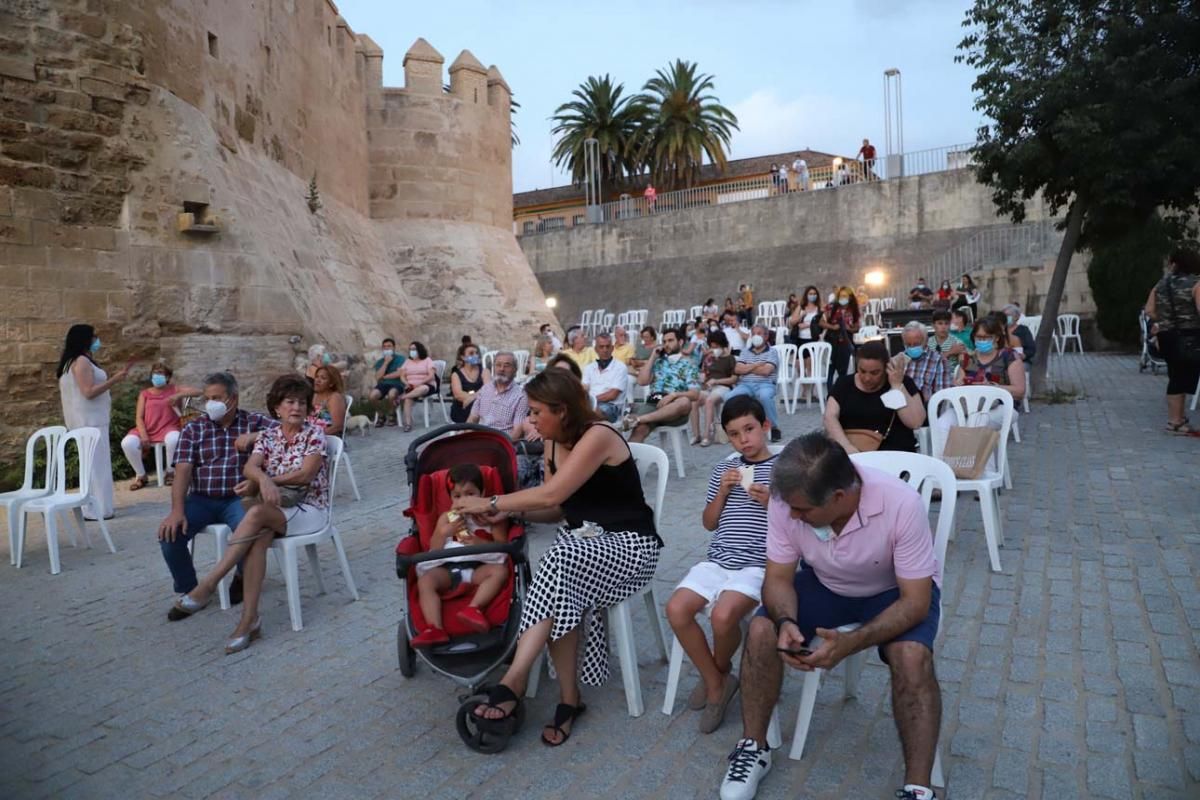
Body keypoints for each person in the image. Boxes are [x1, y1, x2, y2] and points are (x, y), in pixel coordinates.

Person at [718, 433, 943, 800]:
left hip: (893, 591)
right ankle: (753, 747)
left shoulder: (901, 503)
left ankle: (919, 788)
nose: (792, 515)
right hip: (826, 582)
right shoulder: (785, 499)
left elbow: (916, 602)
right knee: (762, 629)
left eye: (803, 511)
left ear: (839, 497)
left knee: (913, 657)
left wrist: (853, 643)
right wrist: (786, 621)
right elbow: (777, 579)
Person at [459, 368, 661, 747]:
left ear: (563, 410)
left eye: (536, 412)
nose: (530, 420)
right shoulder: (552, 444)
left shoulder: (598, 436)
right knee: (562, 568)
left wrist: (491, 501)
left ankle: (518, 679)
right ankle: (568, 699)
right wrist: (509, 513)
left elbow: (550, 496)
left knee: (559, 560)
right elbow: (557, 512)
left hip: (630, 546)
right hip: (580, 549)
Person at [169, 375, 330, 654]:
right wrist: (261, 479)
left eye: (302, 403)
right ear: (277, 408)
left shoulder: (314, 433)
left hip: (308, 509)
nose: (296, 408)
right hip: (278, 510)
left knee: (254, 515)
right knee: (258, 537)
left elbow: (306, 474)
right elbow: (250, 467)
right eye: (290, 402)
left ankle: (209, 583)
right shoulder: (269, 436)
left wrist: (267, 481)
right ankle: (249, 620)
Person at [667, 396, 777, 735]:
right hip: (718, 559)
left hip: (758, 564)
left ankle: (718, 673)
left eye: (749, 429)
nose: (743, 439)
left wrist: (773, 502)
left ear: (765, 427)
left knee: (723, 615)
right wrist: (723, 493)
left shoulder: (785, 469)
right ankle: (718, 682)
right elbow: (709, 523)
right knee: (676, 608)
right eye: (734, 434)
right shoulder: (724, 469)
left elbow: (801, 525)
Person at [157, 372, 276, 618]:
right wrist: (177, 511)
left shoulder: (253, 422)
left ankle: (243, 577)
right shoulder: (194, 429)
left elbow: (291, 430)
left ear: (233, 398)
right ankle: (191, 589)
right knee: (169, 534)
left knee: (250, 529)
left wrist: (256, 436)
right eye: (208, 398)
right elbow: (182, 471)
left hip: (237, 497)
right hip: (201, 498)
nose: (211, 403)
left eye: (217, 398)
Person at [412, 463, 511, 647]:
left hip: (478, 570)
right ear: (450, 497)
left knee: (499, 571)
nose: (462, 501)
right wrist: (444, 532)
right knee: (425, 581)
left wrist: (480, 544)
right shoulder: (446, 517)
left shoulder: (491, 518)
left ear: (482, 494)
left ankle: (473, 608)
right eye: (457, 496)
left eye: (470, 494)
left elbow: (502, 547)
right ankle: (434, 628)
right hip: (447, 570)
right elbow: (433, 548)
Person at [56, 324, 132, 519]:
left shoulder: (70, 362)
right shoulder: (81, 362)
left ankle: (93, 506)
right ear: (85, 339)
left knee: (92, 467)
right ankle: (99, 509)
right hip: (90, 422)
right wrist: (115, 379)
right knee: (98, 467)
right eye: (93, 336)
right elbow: (88, 392)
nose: (97, 339)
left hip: (85, 421)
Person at [825, 341, 925, 454]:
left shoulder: (904, 382)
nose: (867, 378)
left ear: (886, 368)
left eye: (874, 373)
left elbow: (915, 422)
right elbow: (829, 417)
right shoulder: (844, 384)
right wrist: (846, 447)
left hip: (895, 453)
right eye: (862, 371)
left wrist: (897, 386)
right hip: (852, 452)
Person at [121, 362, 201, 490]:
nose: (156, 376)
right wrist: (143, 435)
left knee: (174, 439)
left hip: (169, 427)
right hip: (147, 428)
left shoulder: (174, 389)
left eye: (160, 373)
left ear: (168, 377)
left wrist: (178, 395)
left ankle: (170, 472)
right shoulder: (145, 394)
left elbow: (199, 391)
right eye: (154, 373)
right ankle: (141, 475)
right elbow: (139, 417)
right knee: (127, 443)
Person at [1145, 248, 1200, 434]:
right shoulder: (1196, 284)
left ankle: (1175, 420)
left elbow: (1149, 310)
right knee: (1186, 377)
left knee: (1175, 376)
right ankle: (1177, 421)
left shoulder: (1161, 284)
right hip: (1190, 335)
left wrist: (1165, 320)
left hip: (1166, 336)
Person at [627, 327, 701, 443]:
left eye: (670, 341)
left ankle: (639, 419)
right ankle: (629, 460)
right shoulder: (658, 362)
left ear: (680, 342)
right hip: (654, 403)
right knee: (639, 431)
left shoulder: (690, 364)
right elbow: (642, 381)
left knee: (685, 402)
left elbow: (695, 394)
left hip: (674, 409)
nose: (667, 344)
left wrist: (673, 395)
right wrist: (652, 357)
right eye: (664, 341)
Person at [956, 315, 1027, 419]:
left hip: (1002, 405)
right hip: (970, 403)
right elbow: (959, 381)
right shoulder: (968, 358)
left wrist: (992, 387)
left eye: (987, 337)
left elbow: (1020, 391)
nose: (982, 341)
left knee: (976, 420)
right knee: (943, 423)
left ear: (996, 338)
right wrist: (959, 383)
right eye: (979, 337)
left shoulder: (1009, 356)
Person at [726, 324, 783, 443]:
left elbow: (766, 371)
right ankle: (736, 428)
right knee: (729, 397)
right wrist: (757, 365)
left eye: (759, 333)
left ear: (766, 336)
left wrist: (747, 367)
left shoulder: (772, 352)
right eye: (753, 334)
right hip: (745, 384)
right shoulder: (745, 352)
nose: (756, 336)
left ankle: (774, 427)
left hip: (765, 384)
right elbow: (737, 369)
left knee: (765, 396)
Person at [468, 352, 531, 442]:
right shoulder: (486, 388)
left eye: (507, 365)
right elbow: (472, 418)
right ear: (494, 368)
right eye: (498, 365)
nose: (501, 369)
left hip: (501, 443)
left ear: (515, 370)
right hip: (479, 440)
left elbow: (517, 431)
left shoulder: (521, 395)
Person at [691, 330, 738, 447]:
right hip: (709, 387)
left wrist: (717, 381)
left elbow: (733, 379)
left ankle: (707, 435)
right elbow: (704, 374)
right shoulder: (709, 358)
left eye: (716, 347)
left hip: (723, 387)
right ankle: (696, 434)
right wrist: (702, 377)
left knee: (709, 401)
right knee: (694, 400)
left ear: (722, 345)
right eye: (712, 347)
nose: (714, 349)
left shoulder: (730, 359)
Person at [582, 333, 629, 423]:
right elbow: (584, 388)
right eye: (601, 347)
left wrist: (590, 400)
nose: (605, 350)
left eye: (607, 347)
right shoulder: (589, 368)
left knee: (591, 412)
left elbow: (612, 395)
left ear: (612, 348)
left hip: (611, 406)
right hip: (591, 404)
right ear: (596, 349)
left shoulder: (620, 367)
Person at [900, 321, 952, 404]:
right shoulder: (898, 360)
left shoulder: (939, 361)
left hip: (927, 408)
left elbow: (943, 397)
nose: (912, 347)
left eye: (916, 344)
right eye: (908, 345)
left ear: (926, 341)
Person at [820, 287, 861, 389]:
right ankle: (830, 393)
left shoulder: (854, 310)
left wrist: (848, 328)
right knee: (830, 368)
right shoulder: (831, 308)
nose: (842, 298)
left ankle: (841, 392)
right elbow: (821, 322)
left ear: (850, 297)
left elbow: (856, 327)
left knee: (842, 370)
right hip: (832, 340)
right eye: (840, 296)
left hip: (846, 341)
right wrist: (833, 327)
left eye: (845, 296)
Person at [397, 341, 439, 432]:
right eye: (410, 349)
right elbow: (402, 376)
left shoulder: (427, 360)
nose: (412, 351)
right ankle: (408, 424)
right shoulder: (407, 361)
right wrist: (406, 383)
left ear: (420, 350)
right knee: (408, 400)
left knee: (423, 388)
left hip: (426, 384)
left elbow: (431, 375)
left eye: (414, 349)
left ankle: (401, 397)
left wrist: (420, 383)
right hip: (411, 386)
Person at [368, 337, 406, 425]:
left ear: (394, 348)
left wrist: (384, 377)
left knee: (392, 394)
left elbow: (399, 373)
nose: (387, 348)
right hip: (383, 385)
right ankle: (381, 415)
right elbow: (377, 377)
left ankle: (392, 414)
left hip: (398, 383)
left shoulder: (401, 359)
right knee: (372, 396)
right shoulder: (380, 362)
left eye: (389, 346)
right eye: (384, 347)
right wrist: (386, 363)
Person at [449, 342, 487, 424]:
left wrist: (472, 398)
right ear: (462, 357)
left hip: (480, 406)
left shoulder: (484, 371)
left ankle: (468, 432)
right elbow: (458, 394)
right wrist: (475, 397)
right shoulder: (456, 374)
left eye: (476, 353)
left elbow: (488, 389)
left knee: (477, 405)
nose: (475, 355)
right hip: (461, 408)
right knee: (475, 406)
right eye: (471, 353)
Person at [309, 364, 347, 437]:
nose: (318, 380)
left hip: (327, 439)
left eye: (323, 378)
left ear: (331, 383)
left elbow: (338, 427)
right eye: (316, 377)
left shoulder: (334, 398)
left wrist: (314, 436)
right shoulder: (315, 396)